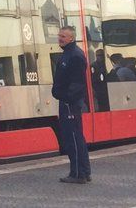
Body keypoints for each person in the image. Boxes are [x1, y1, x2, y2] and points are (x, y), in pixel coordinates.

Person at [52, 26, 91, 184]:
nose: (60, 38)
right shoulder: (69, 54)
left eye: (63, 36)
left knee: (73, 138)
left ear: (71, 38)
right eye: (59, 35)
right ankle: (84, 171)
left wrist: (65, 96)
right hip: (69, 101)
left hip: (70, 103)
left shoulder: (74, 56)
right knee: (76, 137)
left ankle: (77, 174)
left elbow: (77, 83)